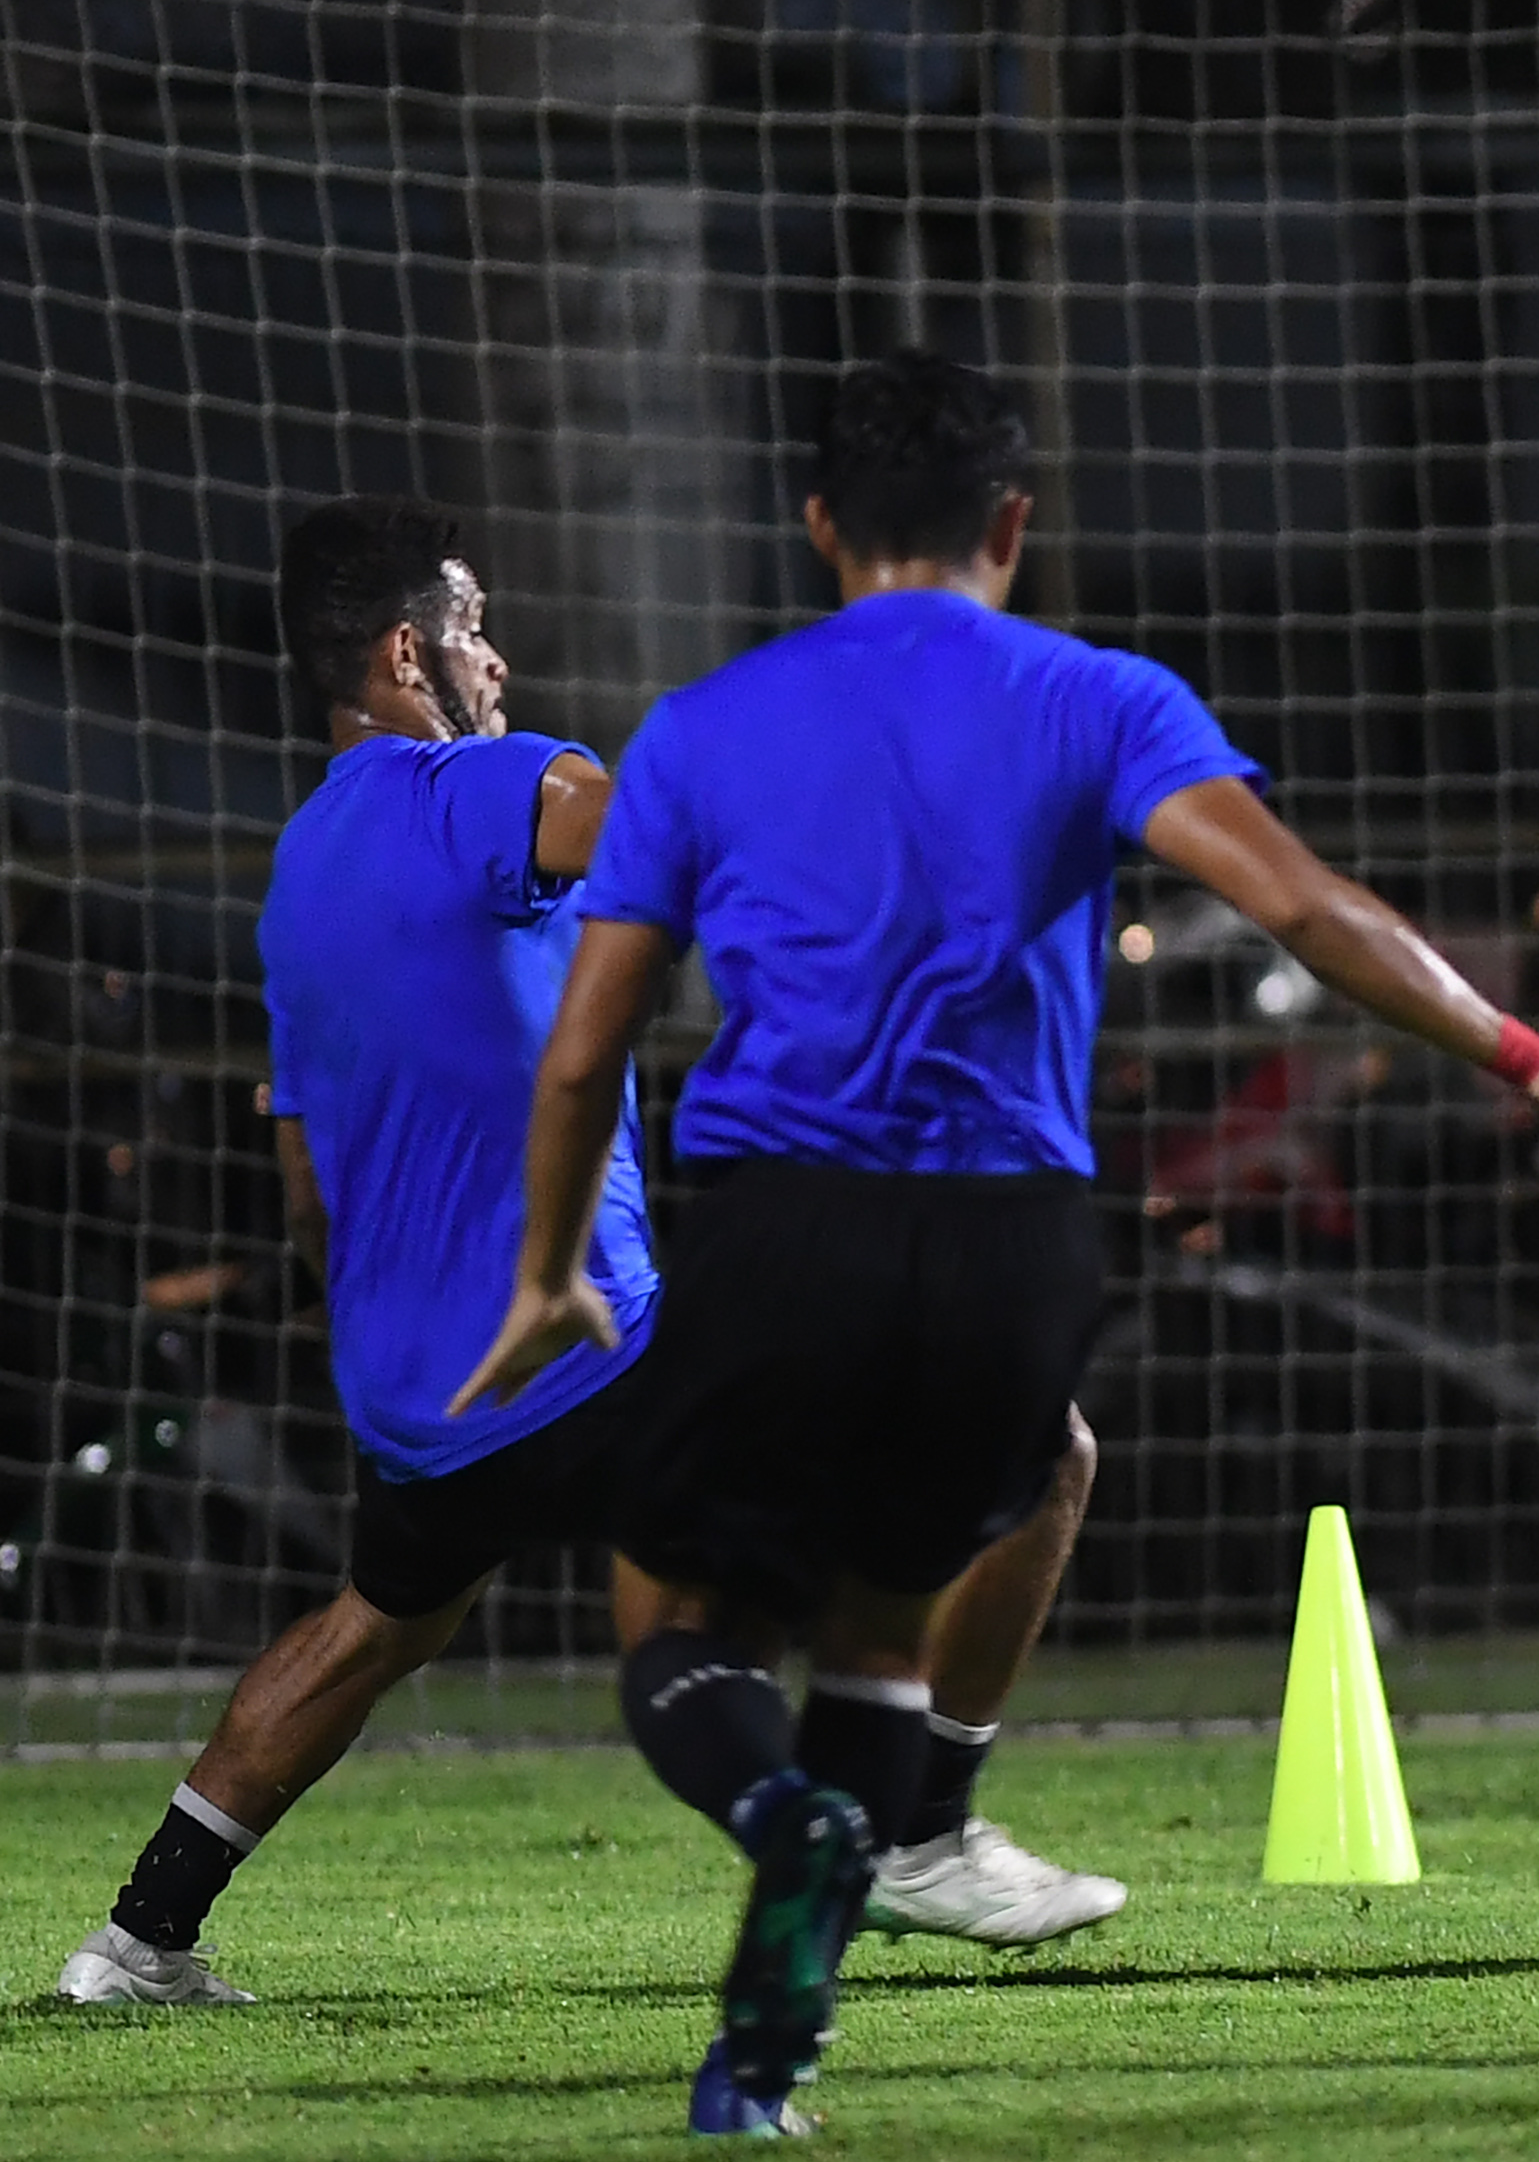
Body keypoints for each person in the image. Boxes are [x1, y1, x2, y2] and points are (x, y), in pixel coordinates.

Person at [456, 351, 1539, 2136]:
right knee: (885, 1628)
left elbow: (584, 1053)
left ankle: (787, 1818)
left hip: (789, 1211)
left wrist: (549, 1265)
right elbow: (1310, 908)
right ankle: (757, 2070)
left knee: (672, 1617)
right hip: (1019, 1247)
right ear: (1012, 524)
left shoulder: (706, 728)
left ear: (817, 527)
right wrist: (1536, 1057)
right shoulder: (1099, 698)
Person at [56, 497, 1116, 2008]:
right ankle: (917, 1830)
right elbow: (657, 830)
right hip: (578, 1341)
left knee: (374, 1629)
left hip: (416, 1384)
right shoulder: (489, 781)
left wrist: (351, 1312)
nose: (498, 653)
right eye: (475, 625)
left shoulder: (296, 877)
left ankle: (137, 1941)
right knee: (1039, 1452)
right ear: (409, 650)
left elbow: (303, 1171)